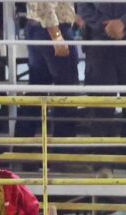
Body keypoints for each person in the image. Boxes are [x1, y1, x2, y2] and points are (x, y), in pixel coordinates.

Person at [78, 3, 126, 141]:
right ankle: (101, 150)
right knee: (101, 106)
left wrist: (124, 23)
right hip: (99, 46)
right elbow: (84, 6)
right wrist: (108, 26)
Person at [15, 2, 79, 141]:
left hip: (41, 26)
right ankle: (63, 147)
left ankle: (22, 144)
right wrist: (56, 35)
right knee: (67, 89)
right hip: (52, 28)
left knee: (38, 88)